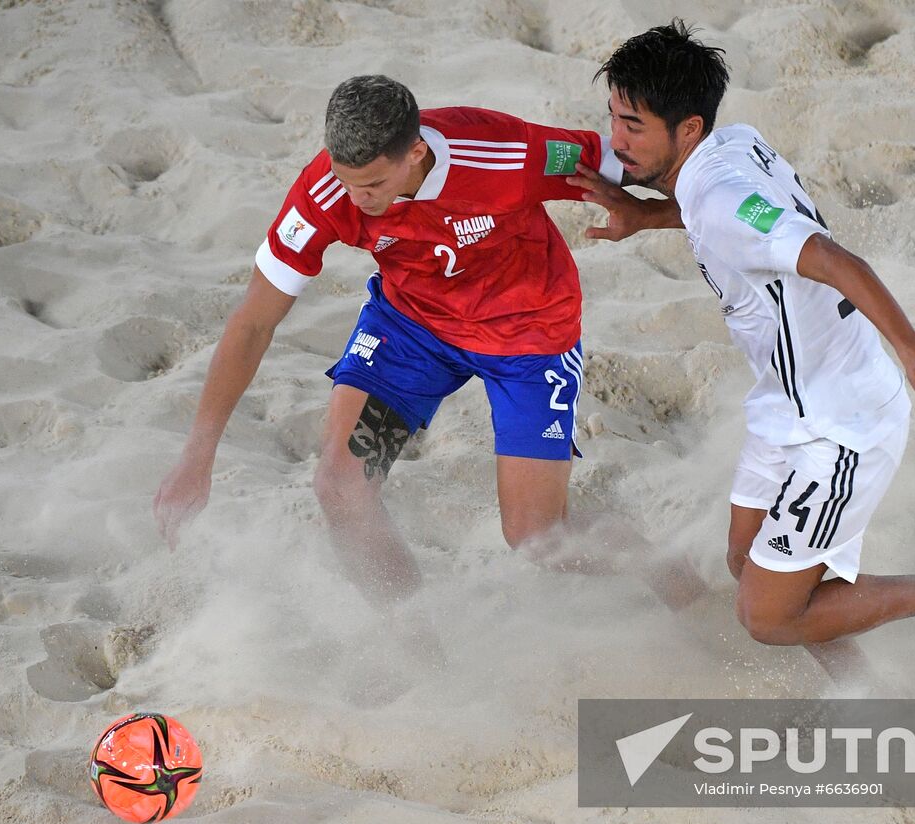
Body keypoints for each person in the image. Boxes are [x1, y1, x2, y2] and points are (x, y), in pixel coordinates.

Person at [568, 21, 915, 691]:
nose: (616, 139)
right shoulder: (731, 145)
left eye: (632, 125)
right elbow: (727, 217)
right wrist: (642, 216)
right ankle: (859, 688)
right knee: (747, 560)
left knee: (767, 617)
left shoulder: (719, 202)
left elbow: (831, 258)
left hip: (843, 422)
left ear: (686, 130)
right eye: (613, 119)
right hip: (786, 402)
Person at [153, 75, 701, 606]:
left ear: (415, 153)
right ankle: (413, 650)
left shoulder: (505, 152)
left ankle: (672, 578)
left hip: (527, 332)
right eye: (345, 181)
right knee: (341, 488)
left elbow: (645, 167)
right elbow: (253, 322)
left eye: (372, 186)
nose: (357, 199)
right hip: (413, 327)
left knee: (539, 538)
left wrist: (656, 214)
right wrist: (196, 458)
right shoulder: (329, 192)